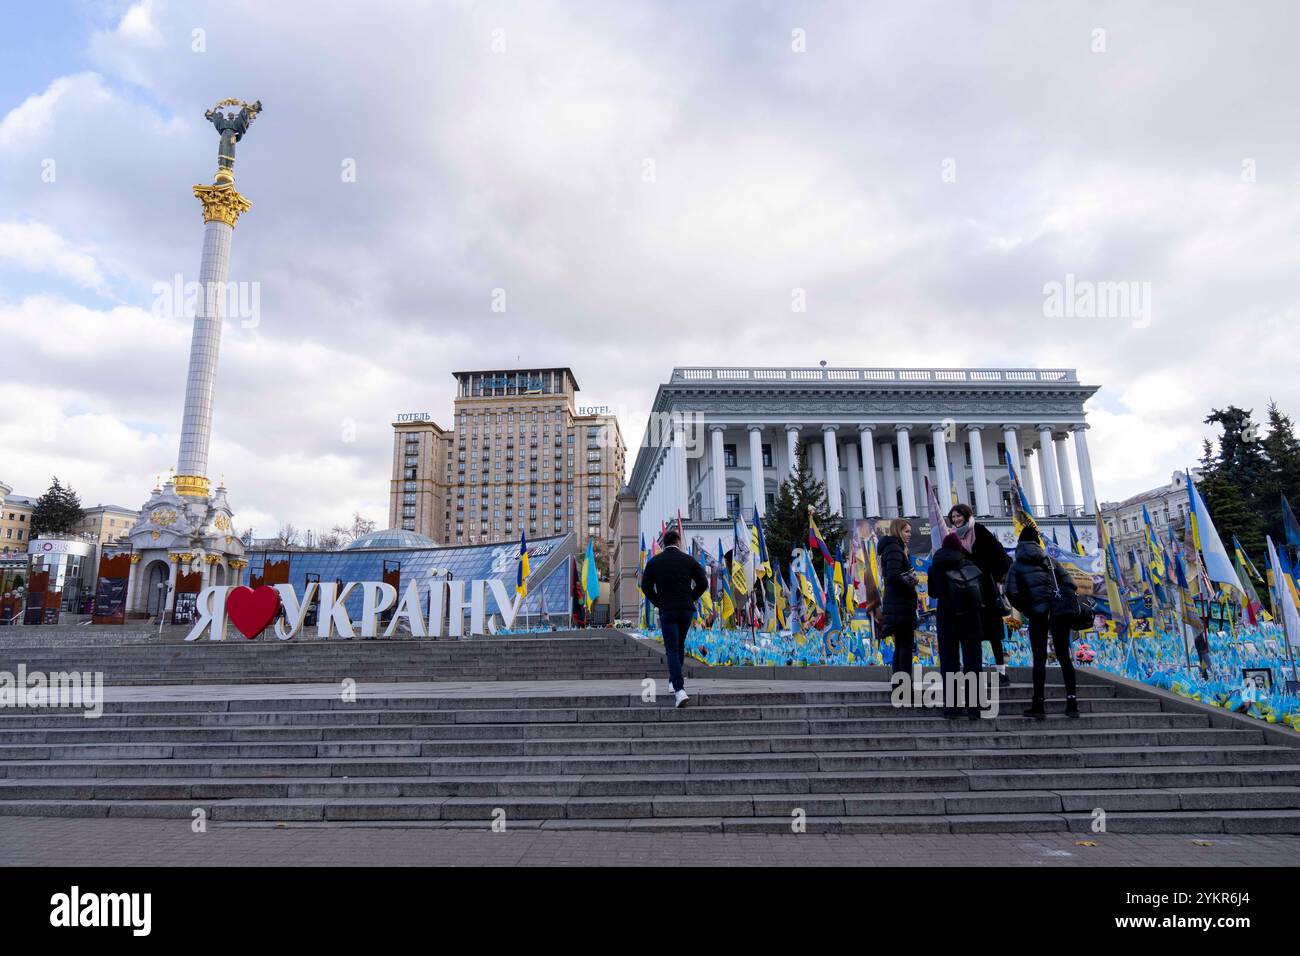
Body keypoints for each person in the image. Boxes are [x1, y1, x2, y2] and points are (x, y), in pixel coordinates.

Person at [1005, 525, 1079, 719]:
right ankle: (1072, 703)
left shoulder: (1018, 564)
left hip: (1038, 615)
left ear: (1020, 543)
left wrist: (1028, 609)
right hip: (1059, 613)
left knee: (1039, 658)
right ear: (1038, 542)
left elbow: (1010, 591)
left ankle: (1038, 704)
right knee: (1064, 656)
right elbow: (1071, 584)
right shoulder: (1051, 561)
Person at [640, 529, 709, 708]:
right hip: (686, 610)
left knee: (671, 648)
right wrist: (691, 597)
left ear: (663, 543)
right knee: (679, 645)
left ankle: (679, 690)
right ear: (678, 542)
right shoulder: (689, 560)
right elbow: (703, 583)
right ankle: (673, 681)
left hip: (667, 610)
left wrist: (658, 602)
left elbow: (645, 586)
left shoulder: (654, 562)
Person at [947, 503, 1014, 686]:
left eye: (958, 516)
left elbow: (999, 556)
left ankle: (1001, 672)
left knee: (993, 632)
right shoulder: (953, 537)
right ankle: (973, 673)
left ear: (966, 515)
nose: (956, 520)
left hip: (985, 589)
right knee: (970, 634)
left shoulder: (980, 531)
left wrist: (984, 569)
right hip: (966, 591)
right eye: (953, 517)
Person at [928, 530, 985, 719]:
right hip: (970, 619)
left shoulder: (935, 568)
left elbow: (933, 593)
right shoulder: (969, 565)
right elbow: (982, 591)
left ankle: (952, 707)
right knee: (973, 663)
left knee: (949, 663)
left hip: (947, 619)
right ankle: (974, 707)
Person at [878, 519, 919, 692]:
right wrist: (911, 581)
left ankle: (899, 685)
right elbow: (894, 576)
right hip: (900, 604)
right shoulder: (895, 548)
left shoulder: (894, 548)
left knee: (901, 646)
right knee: (905, 647)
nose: (909, 535)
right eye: (907, 531)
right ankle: (904, 685)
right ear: (898, 531)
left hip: (897, 604)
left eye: (910, 531)